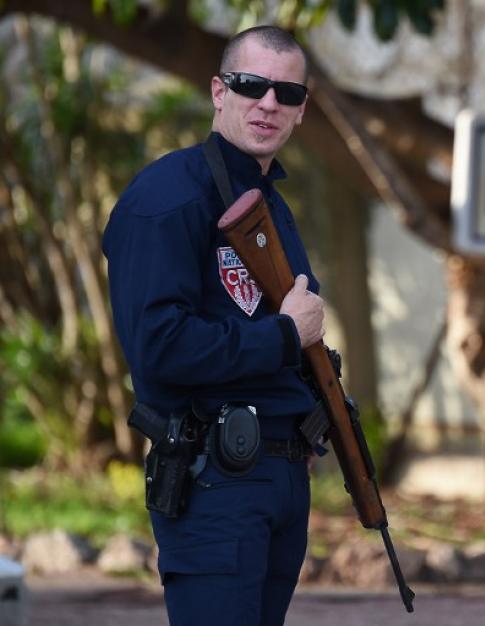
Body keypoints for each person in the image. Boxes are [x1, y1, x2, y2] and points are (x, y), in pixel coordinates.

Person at [103, 25, 326, 626]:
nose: (269, 103)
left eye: (288, 93)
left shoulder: (270, 203)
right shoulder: (169, 197)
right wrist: (283, 336)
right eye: (251, 85)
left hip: (278, 475)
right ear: (217, 91)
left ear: (302, 111)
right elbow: (158, 347)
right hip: (214, 479)